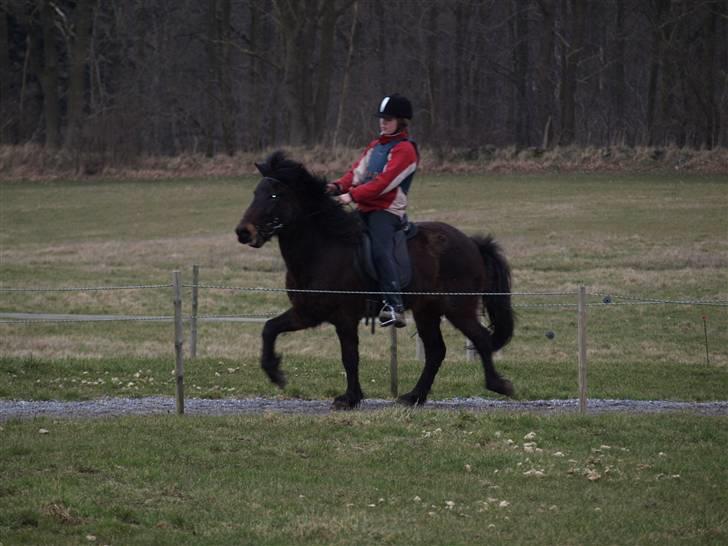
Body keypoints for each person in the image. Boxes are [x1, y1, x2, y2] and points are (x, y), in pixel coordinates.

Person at [327, 94, 418, 328]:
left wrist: (350, 196)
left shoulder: (406, 150)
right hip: (364, 208)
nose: (382, 123)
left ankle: (394, 305)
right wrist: (337, 186)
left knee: (380, 251)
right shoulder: (376, 146)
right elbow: (355, 174)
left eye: (388, 119)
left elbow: (383, 184)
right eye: (381, 119)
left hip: (387, 212)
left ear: (400, 121)